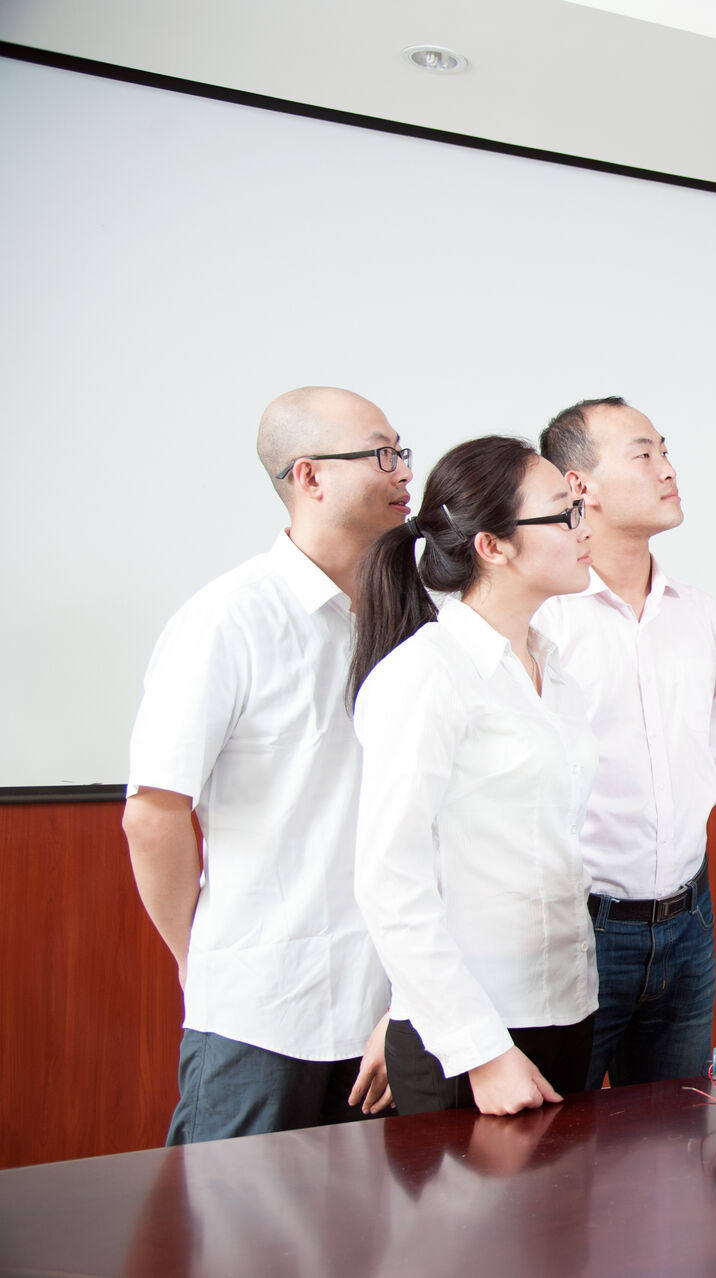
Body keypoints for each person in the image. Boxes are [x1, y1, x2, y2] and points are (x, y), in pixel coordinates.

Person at [124, 386, 407, 1143]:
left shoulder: (409, 618)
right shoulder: (226, 619)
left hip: (386, 1013)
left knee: (383, 1217)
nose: (403, 471)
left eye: (401, 451)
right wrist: (199, 960)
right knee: (230, 1215)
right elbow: (153, 812)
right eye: (382, 454)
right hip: (259, 1015)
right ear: (308, 476)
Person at [350, 435, 600, 1117]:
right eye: (565, 514)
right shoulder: (425, 675)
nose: (585, 528)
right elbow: (390, 882)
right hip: (473, 1035)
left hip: (566, 1005)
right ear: (493, 546)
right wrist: (480, 1050)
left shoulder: (552, 668)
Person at [536, 397, 716, 1088]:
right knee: (558, 1143)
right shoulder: (543, 620)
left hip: (688, 919)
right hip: (578, 927)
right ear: (579, 485)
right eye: (643, 454)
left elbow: (714, 751)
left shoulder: (701, 616)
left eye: (665, 451)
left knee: (678, 1134)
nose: (668, 469)